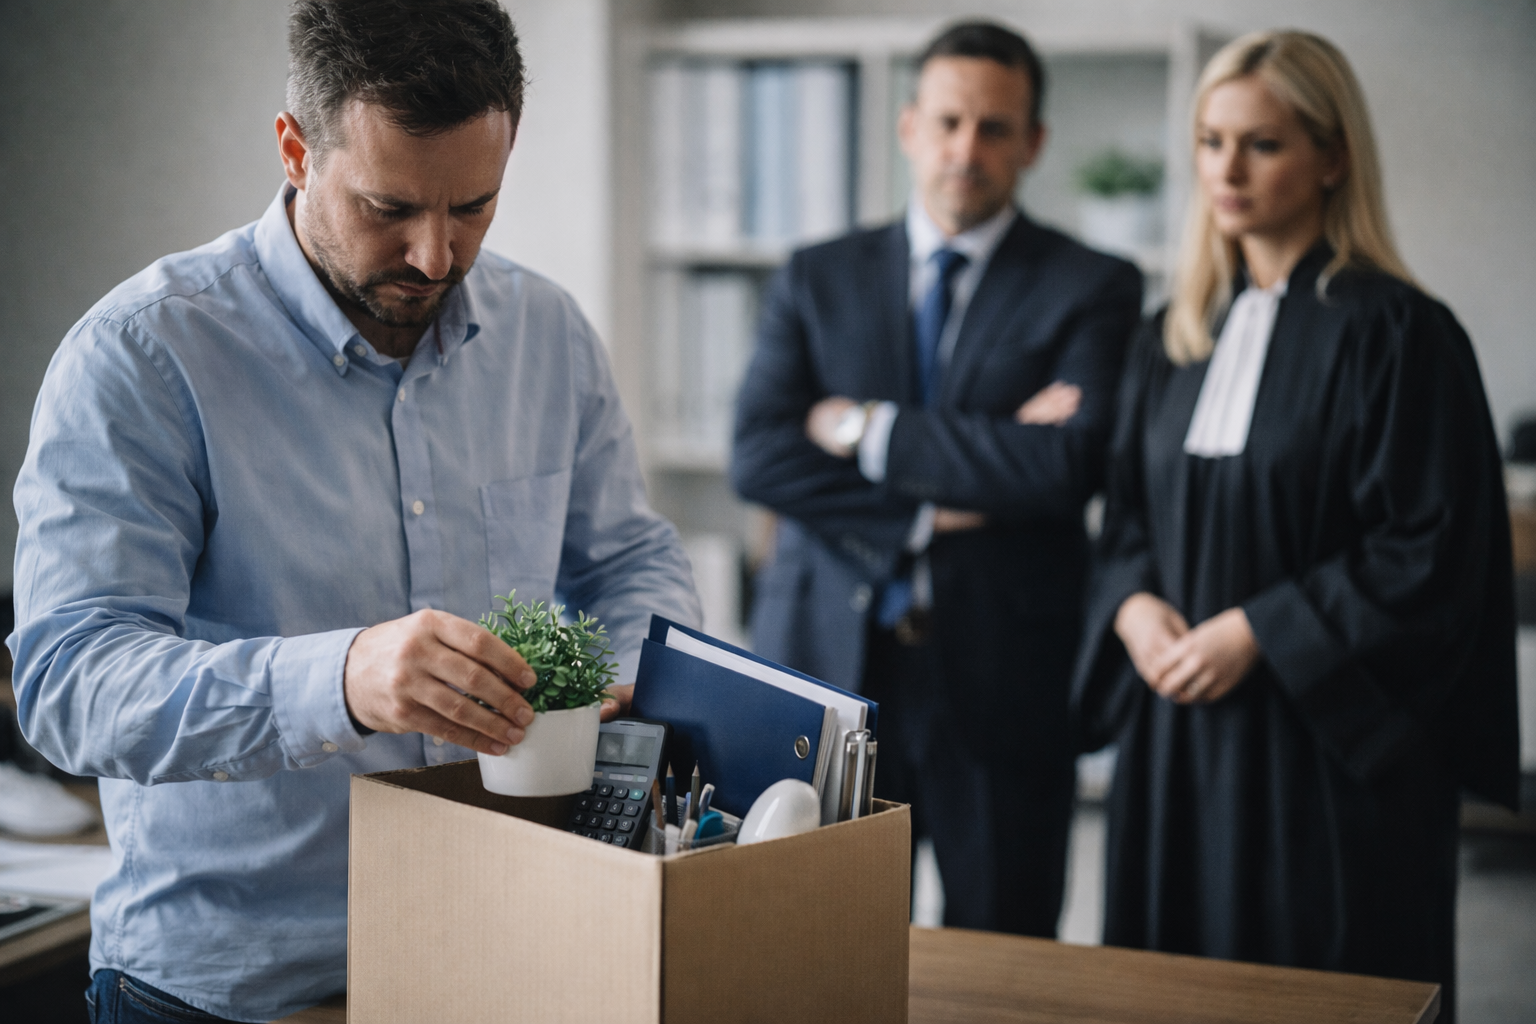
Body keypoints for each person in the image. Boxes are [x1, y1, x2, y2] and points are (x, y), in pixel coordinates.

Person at [7, 2, 699, 1021]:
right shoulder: (142, 359)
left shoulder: (547, 335)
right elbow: (68, 681)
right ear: (295, 148)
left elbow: (628, 558)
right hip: (224, 993)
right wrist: (338, 679)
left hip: (501, 958)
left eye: (474, 206)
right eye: (389, 208)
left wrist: (633, 673)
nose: (433, 255)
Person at [1071, 30, 1518, 1019]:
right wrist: (1136, 607)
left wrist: (1259, 630)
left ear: (1332, 155)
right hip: (1176, 734)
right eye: (1209, 140)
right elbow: (1130, 519)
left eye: (1261, 143)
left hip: (1324, 749)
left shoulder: (1401, 334)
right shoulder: (1169, 338)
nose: (1226, 169)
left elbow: (1433, 551)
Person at [731, 21, 1142, 937]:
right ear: (910, 125)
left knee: (1004, 949)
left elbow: (1065, 465)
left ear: (1033, 143)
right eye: (950, 121)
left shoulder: (1094, 285)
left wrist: (859, 427)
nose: (968, 149)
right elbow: (758, 453)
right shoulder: (816, 276)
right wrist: (949, 494)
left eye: (997, 128)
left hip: (1004, 675)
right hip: (828, 669)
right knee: (817, 943)